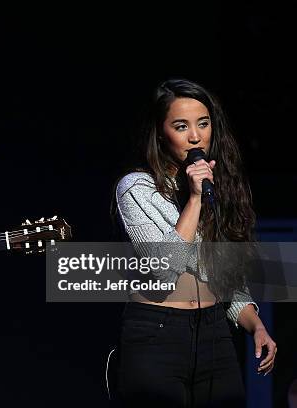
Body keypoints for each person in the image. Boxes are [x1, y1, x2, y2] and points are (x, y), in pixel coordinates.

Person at [113, 79, 277, 407]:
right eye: (180, 126)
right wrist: (195, 200)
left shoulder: (221, 189)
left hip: (213, 332)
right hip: (157, 335)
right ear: (161, 133)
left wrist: (256, 325)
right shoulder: (137, 189)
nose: (195, 136)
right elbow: (164, 270)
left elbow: (227, 281)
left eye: (203, 124)